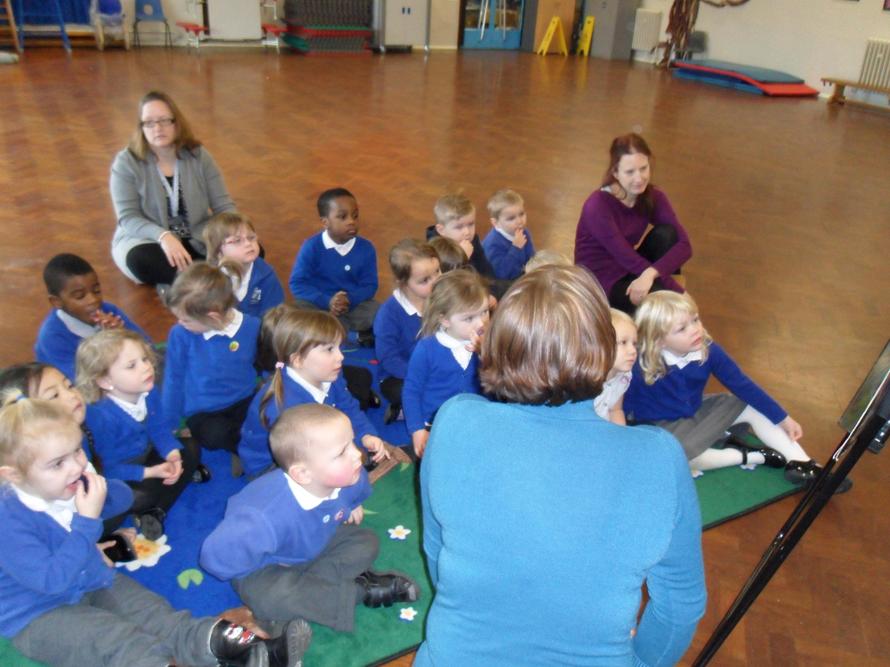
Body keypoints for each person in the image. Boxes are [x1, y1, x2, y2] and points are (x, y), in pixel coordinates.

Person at [416, 265, 706, 666]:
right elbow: (680, 606)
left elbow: (437, 554)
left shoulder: (455, 420)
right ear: (603, 349)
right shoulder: (658, 456)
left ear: (497, 344)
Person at [0, 395, 310, 667]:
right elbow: (52, 580)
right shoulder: (8, 521)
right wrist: (87, 522)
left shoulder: (67, 483)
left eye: (77, 452)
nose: (75, 467)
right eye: (57, 463)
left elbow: (122, 499)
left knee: (162, 618)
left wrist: (101, 487)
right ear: (13, 475)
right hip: (39, 612)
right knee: (120, 642)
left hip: (90, 575)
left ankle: (254, 652)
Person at [202, 404, 418, 634]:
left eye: (352, 443)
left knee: (366, 541)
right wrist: (267, 564)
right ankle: (362, 591)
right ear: (303, 473)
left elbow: (356, 495)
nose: (357, 454)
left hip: (313, 545)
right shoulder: (261, 518)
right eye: (341, 453)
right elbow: (214, 558)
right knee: (272, 596)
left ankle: (287, 614)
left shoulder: (352, 477)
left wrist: (351, 506)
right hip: (266, 567)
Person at [624, 291, 822, 482]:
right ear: (659, 341)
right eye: (682, 329)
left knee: (750, 405)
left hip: (699, 410)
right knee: (678, 457)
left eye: (695, 320)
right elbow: (624, 406)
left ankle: (804, 463)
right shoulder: (639, 365)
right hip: (662, 426)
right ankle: (751, 456)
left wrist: (783, 418)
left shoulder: (708, 350)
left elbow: (742, 384)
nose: (695, 329)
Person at [77, 329, 202, 540]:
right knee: (137, 497)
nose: (146, 367)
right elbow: (108, 469)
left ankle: (157, 509)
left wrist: (172, 454)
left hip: (148, 454)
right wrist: (150, 472)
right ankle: (157, 505)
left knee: (189, 447)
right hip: (123, 473)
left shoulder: (147, 390)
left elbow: (159, 428)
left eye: (145, 359)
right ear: (105, 381)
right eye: (131, 365)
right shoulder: (100, 417)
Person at [238, 308, 389, 479]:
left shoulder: (331, 375)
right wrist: (348, 453)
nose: (341, 356)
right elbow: (304, 458)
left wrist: (365, 435)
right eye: (330, 349)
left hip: (313, 440)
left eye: (339, 347)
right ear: (298, 360)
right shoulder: (285, 408)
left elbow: (348, 408)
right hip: (275, 464)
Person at [109, 90, 237, 287]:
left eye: (164, 120)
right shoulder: (126, 162)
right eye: (149, 123)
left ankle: (197, 281)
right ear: (141, 127)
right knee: (142, 261)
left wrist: (236, 234)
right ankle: (212, 278)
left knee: (252, 250)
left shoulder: (198, 155)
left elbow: (223, 206)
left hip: (197, 235)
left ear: (177, 123)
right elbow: (128, 218)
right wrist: (163, 236)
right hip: (149, 240)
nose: (157, 128)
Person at [574, 133, 692, 313]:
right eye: (630, 172)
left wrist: (650, 274)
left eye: (643, 168)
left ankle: (658, 302)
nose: (639, 178)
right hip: (600, 283)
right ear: (615, 173)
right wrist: (680, 295)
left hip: (628, 267)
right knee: (663, 301)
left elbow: (685, 246)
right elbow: (627, 257)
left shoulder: (653, 196)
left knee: (668, 234)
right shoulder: (597, 206)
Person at [163, 262, 260, 476]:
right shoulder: (180, 334)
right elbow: (173, 379)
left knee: (266, 417)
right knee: (213, 435)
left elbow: (264, 363)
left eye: (186, 319)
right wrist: (168, 424)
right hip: (203, 411)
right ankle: (248, 452)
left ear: (213, 317)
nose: (180, 323)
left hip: (244, 399)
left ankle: (245, 448)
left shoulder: (252, 327)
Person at [403, 270, 488, 458]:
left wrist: (486, 355)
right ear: (445, 319)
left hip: (476, 419)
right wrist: (417, 430)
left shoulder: (488, 343)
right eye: (469, 318)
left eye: (484, 312)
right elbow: (411, 391)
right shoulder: (427, 349)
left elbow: (498, 383)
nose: (481, 323)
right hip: (436, 424)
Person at [35, 253, 150, 381]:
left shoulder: (109, 311)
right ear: (56, 302)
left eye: (96, 291)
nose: (93, 300)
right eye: (80, 296)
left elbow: (148, 348)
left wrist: (122, 335)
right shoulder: (53, 337)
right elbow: (80, 383)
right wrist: (110, 344)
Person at [288, 188, 379, 345]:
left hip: (352, 306)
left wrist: (348, 300)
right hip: (319, 305)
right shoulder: (312, 247)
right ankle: (344, 333)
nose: (351, 221)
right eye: (342, 217)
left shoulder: (366, 248)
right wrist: (328, 301)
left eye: (355, 216)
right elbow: (297, 283)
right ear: (325, 222)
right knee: (294, 312)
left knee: (379, 311)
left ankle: (332, 332)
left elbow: (370, 285)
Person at [373, 239, 441, 424]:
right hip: (401, 374)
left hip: (436, 366)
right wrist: (421, 374)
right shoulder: (389, 314)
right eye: (425, 280)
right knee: (406, 391)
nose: (436, 282)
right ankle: (409, 409)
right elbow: (389, 359)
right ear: (402, 282)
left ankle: (418, 409)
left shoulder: (441, 299)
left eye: (437, 271)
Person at [204, 212, 284, 319]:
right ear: (218, 251)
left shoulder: (267, 275)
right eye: (237, 241)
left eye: (251, 238)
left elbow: (274, 316)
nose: (248, 244)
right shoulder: (209, 279)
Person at [426, 193, 494, 281]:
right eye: (459, 227)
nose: (467, 232)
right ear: (441, 230)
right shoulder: (436, 252)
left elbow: (486, 270)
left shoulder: (472, 239)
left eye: (471, 224)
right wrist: (463, 257)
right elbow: (449, 282)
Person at [593, 309, 638, 425]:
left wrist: (621, 433)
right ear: (600, 345)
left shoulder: (624, 376)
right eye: (623, 342)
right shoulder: (585, 380)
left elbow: (615, 410)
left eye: (634, 344)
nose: (633, 351)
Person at [481, 188, 535, 281]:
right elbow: (502, 274)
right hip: (500, 283)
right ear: (495, 222)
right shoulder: (492, 244)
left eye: (521, 214)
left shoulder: (523, 232)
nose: (519, 221)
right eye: (511, 218)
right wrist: (516, 248)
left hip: (520, 275)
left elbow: (531, 257)